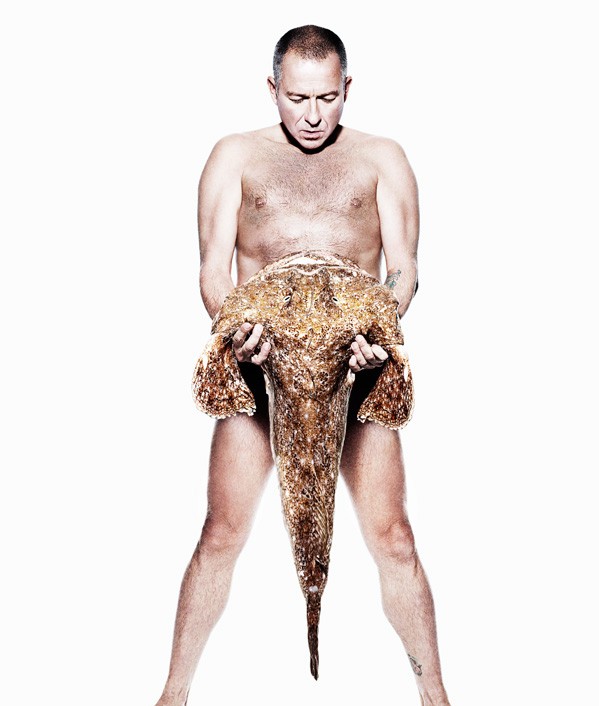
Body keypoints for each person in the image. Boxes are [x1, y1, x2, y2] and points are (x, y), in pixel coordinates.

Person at [154, 25, 451, 706]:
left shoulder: (381, 157)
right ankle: (172, 695)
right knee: (220, 533)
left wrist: (380, 332)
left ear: (346, 88)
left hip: (356, 364)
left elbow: (404, 269)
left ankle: (436, 696)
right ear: (272, 89)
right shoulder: (235, 156)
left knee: (394, 537)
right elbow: (212, 271)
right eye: (296, 98)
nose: (312, 115)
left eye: (325, 98)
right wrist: (238, 335)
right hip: (259, 364)